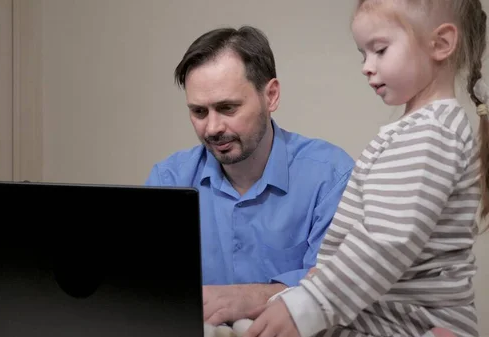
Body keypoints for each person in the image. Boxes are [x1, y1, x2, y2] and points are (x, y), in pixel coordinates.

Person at [244, 1, 489, 337]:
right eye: (363, 54)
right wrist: (316, 282)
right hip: (381, 311)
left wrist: (310, 303)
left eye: (380, 50)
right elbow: (368, 231)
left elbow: (386, 240)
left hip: (413, 324)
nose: (366, 67)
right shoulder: (416, 130)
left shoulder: (431, 133)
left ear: (441, 44)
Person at [145, 26, 355, 326]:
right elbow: (148, 293)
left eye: (227, 107)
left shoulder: (331, 177)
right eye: (199, 112)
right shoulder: (169, 180)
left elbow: (340, 290)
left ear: (270, 96)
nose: (212, 128)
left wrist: (247, 297)